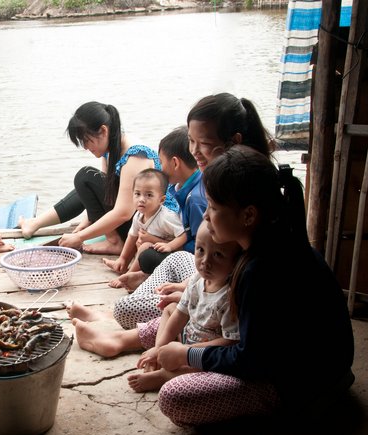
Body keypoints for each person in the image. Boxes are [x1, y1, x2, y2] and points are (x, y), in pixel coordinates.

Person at [155, 145, 355, 426]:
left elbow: (250, 359)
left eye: (213, 207)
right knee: (185, 311)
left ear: (248, 216)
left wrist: (189, 354)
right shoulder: (269, 241)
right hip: (307, 366)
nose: (206, 216)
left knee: (175, 398)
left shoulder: (261, 270)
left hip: (302, 387)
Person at [111, 93, 275, 330]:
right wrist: (191, 287)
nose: (195, 151)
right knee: (174, 270)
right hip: (212, 280)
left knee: (138, 309)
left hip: (221, 296)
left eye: (205, 143)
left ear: (233, 141)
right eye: (191, 141)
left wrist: (191, 298)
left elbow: (242, 345)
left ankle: (134, 333)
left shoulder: (239, 185)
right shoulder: (220, 177)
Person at [72, 222, 240, 389]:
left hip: (202, 353)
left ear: (236, 263)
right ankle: (155, 351)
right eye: (200, 250)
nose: (205, 261)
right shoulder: (197, 280)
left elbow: (229, 342)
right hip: (187, 336)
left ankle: (163, 376)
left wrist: (185, 352)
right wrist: (161, 348)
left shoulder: (229, 297)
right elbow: (180, 314)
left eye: (218, 255)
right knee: (170, 309)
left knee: (198, 369)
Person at [17, 101, 173, 255]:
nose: (85, 147)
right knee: (87, 183)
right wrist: (88, 220)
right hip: (134, 221)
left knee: (85, 177)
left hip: (148, 230)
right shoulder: (111, 147)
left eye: (86, 140)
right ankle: (34, 224)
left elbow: (124, 212)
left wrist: (79, 237)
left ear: (103, 131)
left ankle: (115, 241)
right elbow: (103, 192)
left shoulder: (135, 156)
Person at [113, 126, 205, 292]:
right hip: (174, 242)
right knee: (145, 249)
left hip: (191, 260)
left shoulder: (196, 199)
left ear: (175, 163)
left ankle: (145, 277)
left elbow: (201, 245)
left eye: (161, 162)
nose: (159, 168)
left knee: (148, 255)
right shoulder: (178, 187)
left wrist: (159, 242)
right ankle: (143, 275)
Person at [101, 168, 185, 288]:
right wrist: (123, 258)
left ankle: (129, 276)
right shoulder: (139, 215)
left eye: (149, 195)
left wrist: (169, 246)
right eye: (137, 194)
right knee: (141, 244)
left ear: (161, 200)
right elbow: (132, 236)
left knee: (145, 246)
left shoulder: (166, 217)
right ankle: (123, 266)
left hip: (172, 255)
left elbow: (184, 236)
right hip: (153, 253)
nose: (141, 199)